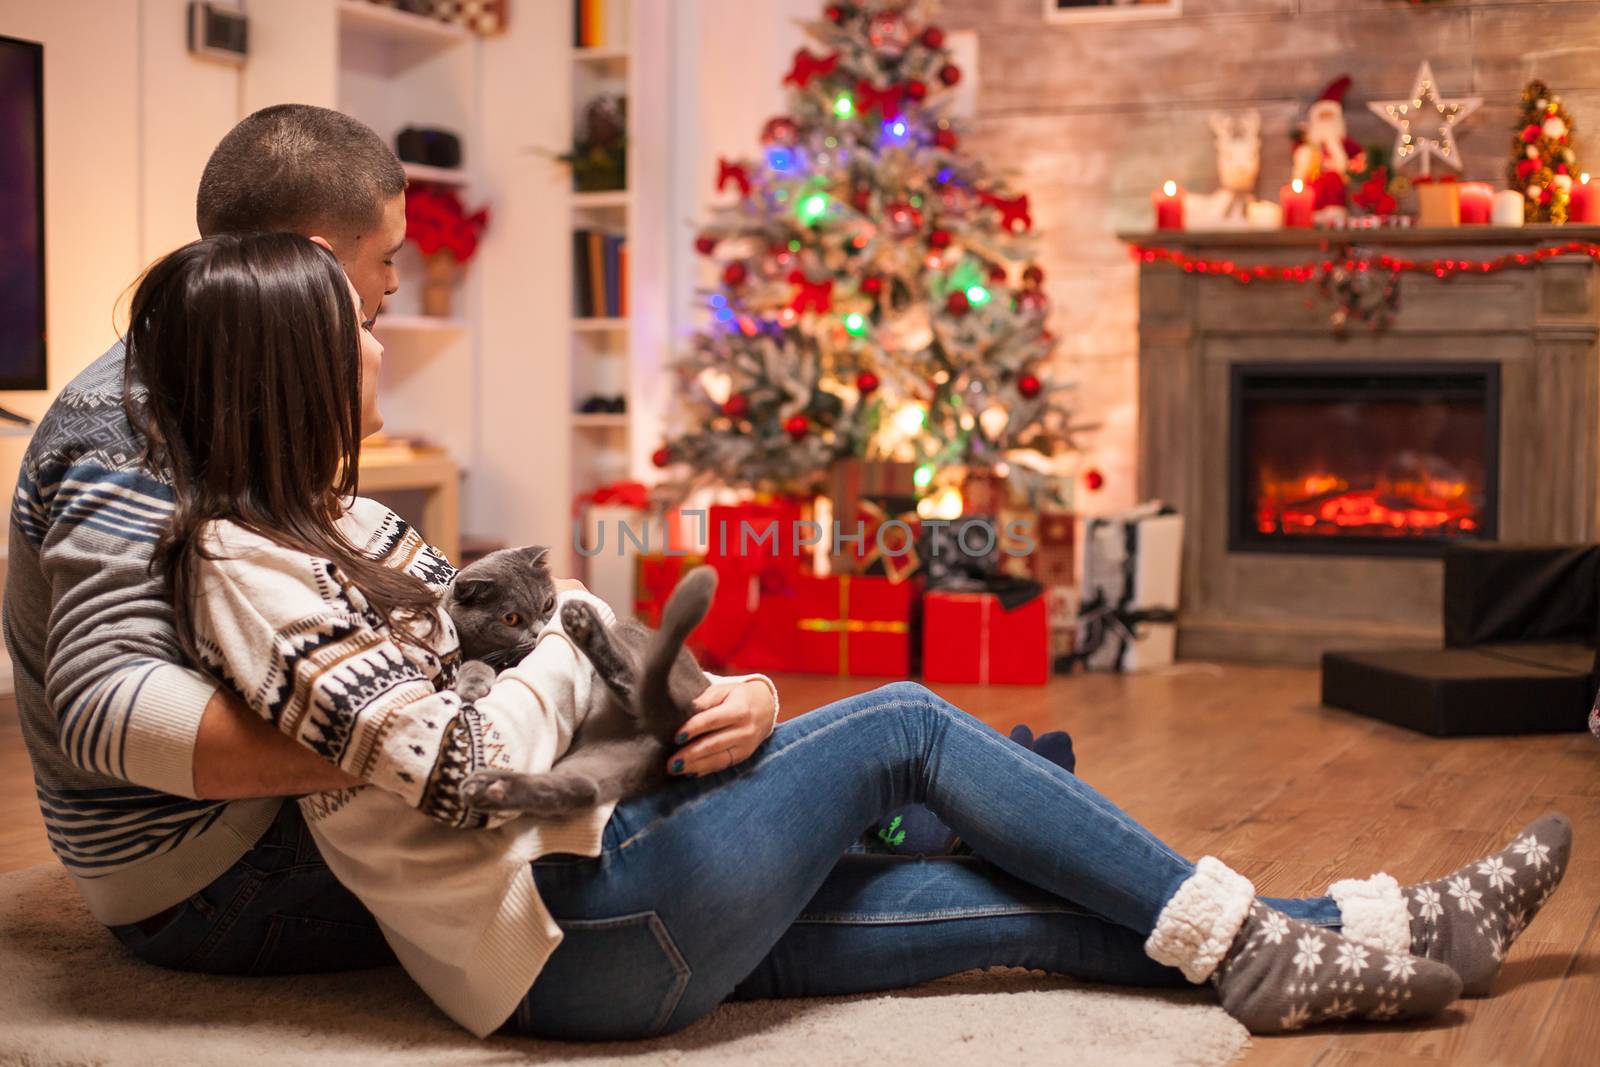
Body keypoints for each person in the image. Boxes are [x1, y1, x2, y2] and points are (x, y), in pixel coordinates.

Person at [114, 228, 1570, 1040]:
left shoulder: (345, 530)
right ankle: (1257, 929)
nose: (383, 335)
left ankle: (1370, 929)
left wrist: (706, 684)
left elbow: (554, 678)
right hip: (576, 929)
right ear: (288, 364)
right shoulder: (248, 561)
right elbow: (454, 762)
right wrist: (562, 631)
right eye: (356, 322)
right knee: (910, 725)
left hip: (605, 915)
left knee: (1028, 907)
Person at [3, 104, 778, 978]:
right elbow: (106, 707)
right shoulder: (132, 418)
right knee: (674, 841)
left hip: (266, 820)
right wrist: (410, 739)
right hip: (206, 873)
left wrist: (705, 688)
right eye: (387, 261)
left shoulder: (226, 391)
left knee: (692, 787)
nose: (393, 291)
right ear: (322, 265)